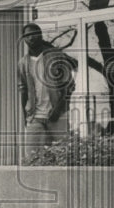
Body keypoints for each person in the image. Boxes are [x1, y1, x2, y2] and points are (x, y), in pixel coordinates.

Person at [17, 22, 76, 162]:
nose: (31, 38)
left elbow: (69, 86)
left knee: (63, 157)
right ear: (24, 39)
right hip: (35, 117)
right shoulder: (22, 63)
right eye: (27, 35)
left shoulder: (56, 56)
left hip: (58, 115)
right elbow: (23, 90)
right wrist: (25, 115)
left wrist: (58, 109)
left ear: (41, 36)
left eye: (34, 34)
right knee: (32, 158)